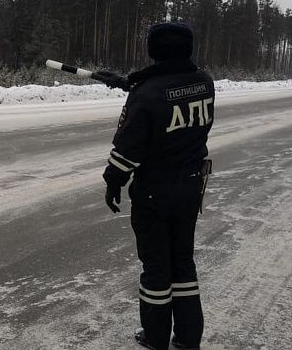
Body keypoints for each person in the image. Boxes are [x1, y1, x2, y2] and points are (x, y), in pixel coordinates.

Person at [92, 22, 215, 350]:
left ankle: (156, 337)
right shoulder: (204, 84)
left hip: (154, 194)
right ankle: (189, 339)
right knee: (183, 262)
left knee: (157, 269)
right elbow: (169, 85)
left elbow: (128, 148)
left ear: (154, 51)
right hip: (191, 188)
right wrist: (129, 82)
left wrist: (113, 181)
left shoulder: (147, 93)